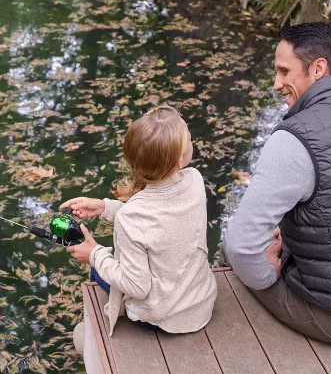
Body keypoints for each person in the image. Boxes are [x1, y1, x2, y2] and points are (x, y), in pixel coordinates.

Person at [225, 22, 331, 344]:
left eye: (283, 71)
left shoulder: (295, 140)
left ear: (318, 68)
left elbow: (240, 245)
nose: (276, 84)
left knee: (233, 252)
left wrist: (267, 273)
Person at [61, 106, 217, 345]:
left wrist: (95, 255)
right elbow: (162, 222)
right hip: (201, 303)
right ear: (179, 160)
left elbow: (136, 286)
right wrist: (106, 208)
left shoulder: (133, 217)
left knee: (98, 268)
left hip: (163, 317)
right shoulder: (194, 181)